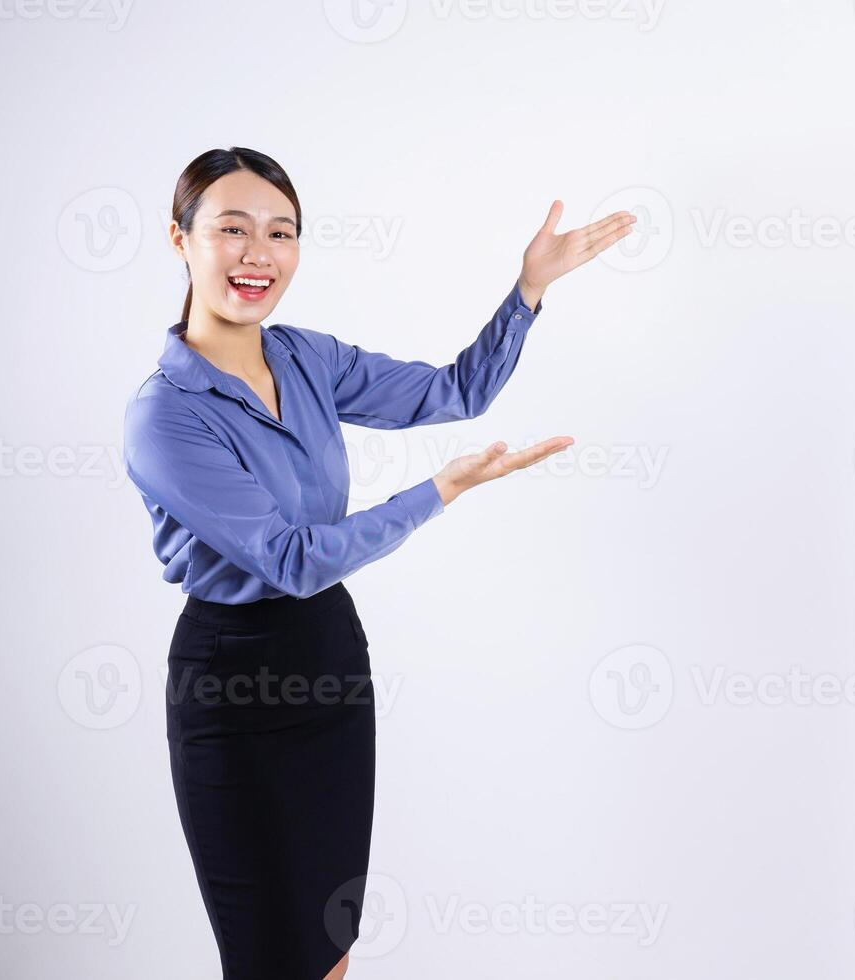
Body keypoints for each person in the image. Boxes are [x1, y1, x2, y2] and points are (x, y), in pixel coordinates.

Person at [121, 146, 636, 980]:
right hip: (234, 685)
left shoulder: (304, 358)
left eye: (281, 233)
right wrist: (440, 490)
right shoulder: (165, 414)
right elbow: (289, 560)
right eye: (232, 229)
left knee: (328, 949)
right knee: (267, 954)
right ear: (180, 240)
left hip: (326, 658)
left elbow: (455, 391)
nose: (259, 254)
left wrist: (529, 289)